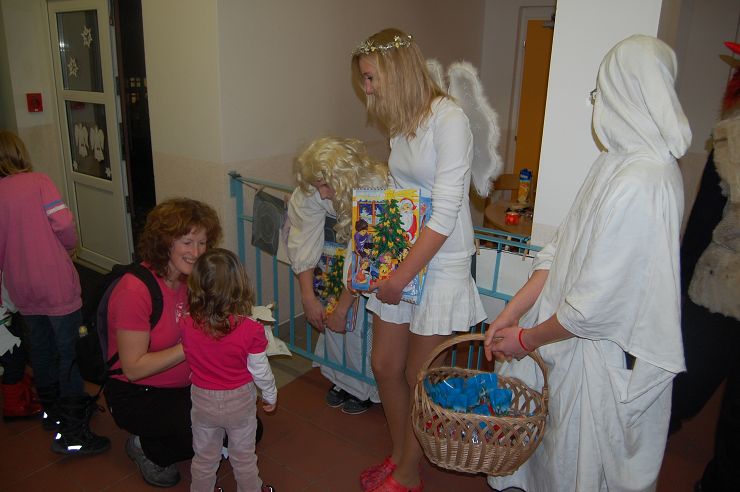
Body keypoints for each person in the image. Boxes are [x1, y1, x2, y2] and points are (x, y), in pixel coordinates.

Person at [483, 34, 691, 492]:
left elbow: (592, 309)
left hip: (599, 354)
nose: (598, 103)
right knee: (554, 455)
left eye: (600, 92)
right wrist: (514, 311)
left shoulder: (645, 180)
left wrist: (526, 339)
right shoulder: (613, 164)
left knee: (581, 466)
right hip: (565, 342)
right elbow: (562, 248)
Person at [351, 28, 487, 492]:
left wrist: (398, 277)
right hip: (404, 254)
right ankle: (399, 454)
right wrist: (370, 259)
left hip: (442, 261)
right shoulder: (402, 122)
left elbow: (445, 214)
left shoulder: (449, 120)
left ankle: (409, 473)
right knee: (385, 364)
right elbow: (397, 194)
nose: (367, 89)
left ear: (396, 72)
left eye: (371, 78)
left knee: (417, 374)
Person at [0, 130, 110, 454]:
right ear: (18, 152)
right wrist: (69, 246)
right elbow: (63, 224)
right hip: (53, 282)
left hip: (20, 285)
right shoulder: (39, 182)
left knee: (41, 348)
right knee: (69, 350)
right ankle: (74, 430)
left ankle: (51, 412)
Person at [103, 197, 222, 488]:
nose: (197, 252)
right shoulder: (135, 290)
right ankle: (145, 447)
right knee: (205, 431)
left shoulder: (190, 280)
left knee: (246, 426)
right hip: (138, 393)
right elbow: (133, 368)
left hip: (186, 383)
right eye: (187, 242)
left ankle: (184, 434)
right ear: (165, 242)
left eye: (202, 243)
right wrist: (190, 345)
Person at [669, 41, 740, 492]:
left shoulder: (732, 139)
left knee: (680, 385)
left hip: (719, 290)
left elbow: (702, 227)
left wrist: (675, 290)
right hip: (721, 289)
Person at [287, 136, 387, 414]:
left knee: (360, 328)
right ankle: (342, 379)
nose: (322, 194)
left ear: (344, 178)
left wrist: (343, 308)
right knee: (333, 322)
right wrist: (308, 297)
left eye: (326, 186)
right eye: (317, 186)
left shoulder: (375, 190)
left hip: (371, 272)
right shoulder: (315, 186)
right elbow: (303, 236)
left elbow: (365, 258)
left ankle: (366, 388)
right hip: (335, 265)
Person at [182, 248, 277, 492]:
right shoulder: (251, 330)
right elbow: (260, 371)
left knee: (204, 458)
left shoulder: (186, 323)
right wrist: (270, 395)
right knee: (243, 457)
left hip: (202, 398)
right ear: (239, 286)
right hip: (239, 401)